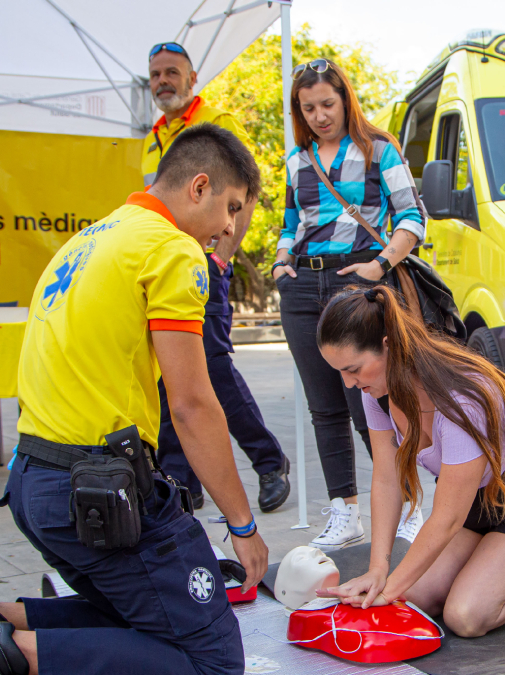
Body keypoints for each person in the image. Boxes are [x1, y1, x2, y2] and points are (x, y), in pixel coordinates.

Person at [0, 124, 268, 675]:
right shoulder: (171, 249)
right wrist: (242, 526)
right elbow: (193, 405)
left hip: (34, 483)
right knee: (213, 662)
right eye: (232, 207)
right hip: (98, 494)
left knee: (139, 616)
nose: (228, 227)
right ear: (199, 186)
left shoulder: (85, 240)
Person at [313, 286, 505, 638]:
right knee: (414, 596)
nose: (349, 383)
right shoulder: (378, 391)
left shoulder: (461, 397)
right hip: (477, 500)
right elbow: (386, 480)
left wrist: (388, 590)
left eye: (353, 369)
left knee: (465, 616)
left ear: (387, 345)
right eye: (339, 372)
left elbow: (446, 518)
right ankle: (494, 552)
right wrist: (377, 570)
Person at [272, 59, 428, 550]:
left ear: (345, 100)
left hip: (357, 279)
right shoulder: (298, 158)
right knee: (324, 407)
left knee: (372, 401)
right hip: (303, 286)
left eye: (327, 104)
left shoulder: (378, 149)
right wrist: (280, 262)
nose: (319, 115)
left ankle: (407, 502)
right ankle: (345, 511)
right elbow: (290, 221)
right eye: (308, 107)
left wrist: (379, 266)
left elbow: (411, 216)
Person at [144, 41, 291, 512]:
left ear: (192, 78)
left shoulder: (216, 125)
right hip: (161, 263)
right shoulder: (153, 136)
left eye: (172, 72)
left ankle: (269, 462)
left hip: (202, 262)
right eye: (155, 75)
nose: (163, 81)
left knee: (213, 366)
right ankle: (181, 480)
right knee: (170, 371)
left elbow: (244, 193)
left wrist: (222, 254)